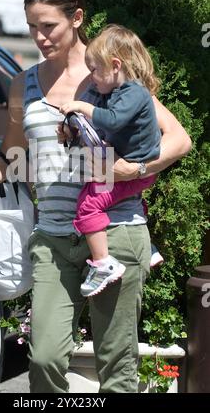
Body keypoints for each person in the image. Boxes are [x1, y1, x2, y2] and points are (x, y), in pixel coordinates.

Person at [0, 0, 192, 393]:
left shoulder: (107, 74)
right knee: (43, 359)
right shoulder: (22, 84)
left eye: (49, 26)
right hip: (53, 238)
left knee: (117, 365)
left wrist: (134, 170)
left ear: (77, 17)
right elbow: (11, 156)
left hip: (116, 232)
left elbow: (179, 139)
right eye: (32, 27)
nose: (39, 37)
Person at [58, 23, 162, 297]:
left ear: (115, 65)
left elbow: (113, 121)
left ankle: (104, 264)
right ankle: (147, 249)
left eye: (94, 70)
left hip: (135, 169)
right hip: (129, 168)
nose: (91, 77)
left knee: (88, 205)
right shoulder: (114, 92)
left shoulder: (134, 93)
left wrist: (82, 107)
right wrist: (72, 127)